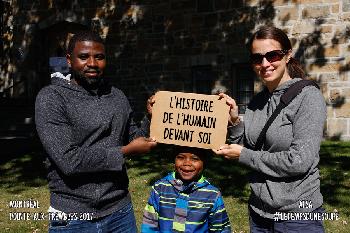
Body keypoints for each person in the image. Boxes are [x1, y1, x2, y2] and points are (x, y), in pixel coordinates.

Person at [35, 30, 157, 232]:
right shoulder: (52, 98)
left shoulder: (117, 96)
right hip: (72, 216)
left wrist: (151, 118)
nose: (92, 63)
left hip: (120, 211)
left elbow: (135, 138)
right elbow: (69, 161)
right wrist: (124, 151)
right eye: (83, 57)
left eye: (99, 57)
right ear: (69, 60)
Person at [213, 26, 326, 232]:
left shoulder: (308, 97)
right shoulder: (257, 101)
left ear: (287, 55)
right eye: (257, 58)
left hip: (298, 215)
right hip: (259, 213)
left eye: (272, 55)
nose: (265, 64)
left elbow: (299, 161)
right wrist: (235, 121)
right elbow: (249, 149)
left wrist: (244, 155)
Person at [141, 146, 232, 233]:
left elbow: (221, 229)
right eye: (181, 157)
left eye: (195, 159)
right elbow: (149, 223)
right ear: (174, 159)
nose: (187, 164)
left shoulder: (212, 194)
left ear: (204, 162)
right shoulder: (160, 188)